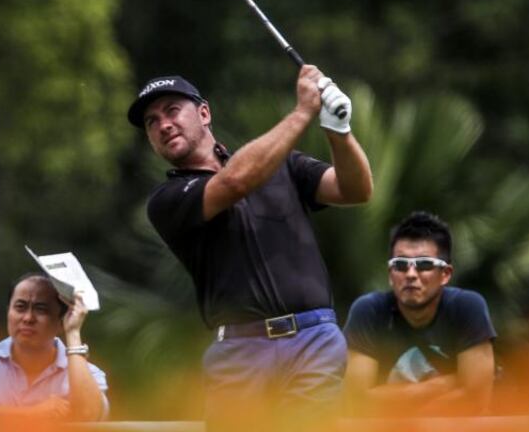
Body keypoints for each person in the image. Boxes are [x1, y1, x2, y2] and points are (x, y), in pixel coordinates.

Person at [127, 67, 373, 426]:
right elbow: (235, 182)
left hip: (313, 339)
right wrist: (303, 112)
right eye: (151, 121)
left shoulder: (282, 165)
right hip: (240, 352)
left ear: (204, 113)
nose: (163, 124)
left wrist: (339, 132)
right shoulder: (166, 199)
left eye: (171, 110)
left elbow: (355, 190)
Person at [342, 211, 497, 416]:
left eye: (424, 265)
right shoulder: (368, 311)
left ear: (445, 274)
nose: (411, 275)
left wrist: (390, 403)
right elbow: (356, 403)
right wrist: (443, 385)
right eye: (400, 265)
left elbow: (476, 401)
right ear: (390, 275)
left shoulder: (467, 307)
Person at [0, 272, 108, 421]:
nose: (28, 318)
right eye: (20, 307)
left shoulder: (86, 374)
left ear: (61, 321)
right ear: (8, 312)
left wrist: (73, 333)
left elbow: (90, 415)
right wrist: (32, 414)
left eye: (41, 309)